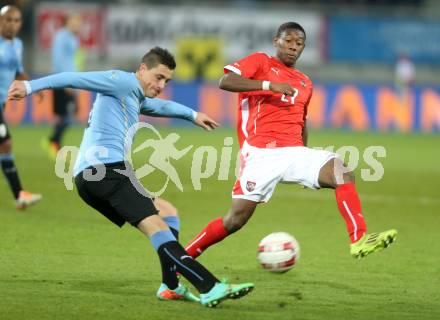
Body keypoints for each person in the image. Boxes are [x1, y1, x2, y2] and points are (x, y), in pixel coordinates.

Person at [8, 47, 254, 307]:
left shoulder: (132, 93)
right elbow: (72, 77)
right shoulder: (120, 80)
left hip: (100, 174)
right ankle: (209, 286)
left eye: (166, 81)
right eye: (158, 77)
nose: (161, 85)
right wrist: (28, 86)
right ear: (142, 69)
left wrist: (193, 115)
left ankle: (170, 286)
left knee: (167, 212)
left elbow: (158, 106)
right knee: (157, 228)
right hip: (102, 172)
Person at [184, 22, 397, 261]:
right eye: (288, 41)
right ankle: (181, 259)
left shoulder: (305, 82)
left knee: (342, 171)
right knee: (235, 220)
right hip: (260, 153)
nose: (293, 47)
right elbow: (225, 82)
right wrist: (269, 85)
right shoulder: (260, 62)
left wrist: (306, 161)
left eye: (299, 44)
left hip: (295, 151)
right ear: (277, 40)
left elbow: (301, 121)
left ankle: (359, 239)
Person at [0, 5, 41, 209]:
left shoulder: (17, 44)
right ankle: (19, 194)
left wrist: (35, 87)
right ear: (1, 21)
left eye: (16, 20)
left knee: (5, 145)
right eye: (8, 20)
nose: (12, 24)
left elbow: (18, 71)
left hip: (2, 103)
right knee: (5, 143)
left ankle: (19, 195)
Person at [47, 14, 82, 156]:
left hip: (72, 80)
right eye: (75, 22)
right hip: (63, 81)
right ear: (68, 22)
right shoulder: (61, 37)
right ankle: (53, 141)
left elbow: (73, 61)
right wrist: (65, 82)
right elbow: (59, 60)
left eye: (79, 23)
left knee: (67, 114)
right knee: (67, 114)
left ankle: (54, 142)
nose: (77, 26)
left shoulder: (74, 38)